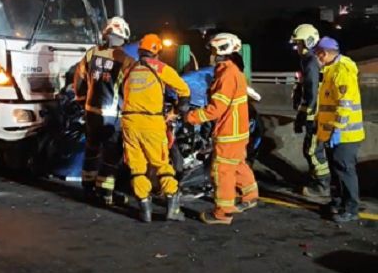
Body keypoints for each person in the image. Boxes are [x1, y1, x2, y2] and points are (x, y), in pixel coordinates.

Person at [185, 33, 258, 225]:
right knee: (238, 164)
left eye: (211, 50)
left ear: (220, 50)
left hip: (228, 132)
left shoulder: (227, 74)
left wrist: (191, 117)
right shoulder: (233, 71)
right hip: (239, 131)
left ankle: (223, 213)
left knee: (222, 170)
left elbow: (216, 109)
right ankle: (250, 196)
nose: (209, 53)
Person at [121, 34, 191, 222]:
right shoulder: (161, 68)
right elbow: (183, 89)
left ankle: (144, 208)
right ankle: (173, 207)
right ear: (156, 52)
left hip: (129, 122)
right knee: (161, 164)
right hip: (151, 123)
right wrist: (178, 108)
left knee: (137, 167)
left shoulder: (129, 69)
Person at [74, 17, 134, 205]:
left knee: (91, 150)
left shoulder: (91, 54)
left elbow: (79, 79)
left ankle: (88, 189)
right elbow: (132, 88)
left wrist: (82, 100)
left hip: (91, 111)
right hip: (113, 116)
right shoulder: (125, 60)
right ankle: (106, 193)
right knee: (111, 156)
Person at [313, 37, 365, 223]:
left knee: (344, 170)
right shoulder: (330, 70)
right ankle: (337, 202)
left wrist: (338, 129)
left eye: (317, 54)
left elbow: (345, 104)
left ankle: (351, 208)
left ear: (324, 53)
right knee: (336, 171)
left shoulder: (342, 70)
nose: (317, 58)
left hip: (345, 134)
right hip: (332, 132)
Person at [290, 24, 330, 197]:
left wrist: (307, 115)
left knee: (313, 150)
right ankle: (318, 179)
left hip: (316, 115)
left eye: (298, 43)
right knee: (312, 149)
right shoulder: (309, 60)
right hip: (316, 113)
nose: (296, 47)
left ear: (308, 42)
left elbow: (312, 90)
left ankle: (322, 185)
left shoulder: (310, 62)